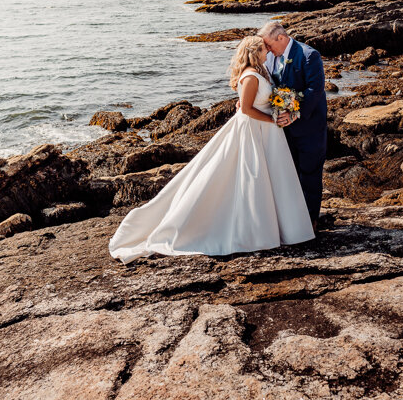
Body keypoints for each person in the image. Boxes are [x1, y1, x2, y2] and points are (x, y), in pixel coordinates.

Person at [109, 35, 314, 263]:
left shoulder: (260, 71)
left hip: (264, 133)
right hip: (253, 131)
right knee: (250, 178)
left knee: (267, 178)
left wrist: (281, 106)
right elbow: (245, 109)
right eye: (264, 49)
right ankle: (252, 232)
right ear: (256, 52)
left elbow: (256, 102)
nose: (268, 51)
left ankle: (274, 229)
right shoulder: (250, 76)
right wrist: (272, 120)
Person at [257, 22, 327, 228]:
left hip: (309, 128)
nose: (267, 49)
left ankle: (310, 221)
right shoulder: (269, 57)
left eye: (269, 44)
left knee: (310, 174)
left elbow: (315, 90)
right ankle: (291, 221)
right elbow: (267, 87)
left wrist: (295, 114)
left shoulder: (308, 55)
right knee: (288, 175)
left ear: (281, 38)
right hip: (281, 129)